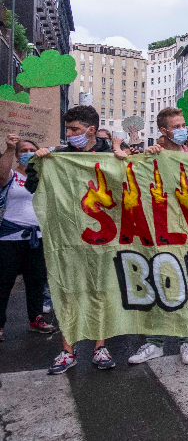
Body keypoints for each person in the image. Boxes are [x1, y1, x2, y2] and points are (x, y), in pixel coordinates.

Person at [24, 106, 117, 374]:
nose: (69, 134)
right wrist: (38, 164)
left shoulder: (111, 155)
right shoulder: (59, 155)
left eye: (74, 129)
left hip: (103, 236)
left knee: (101, 291)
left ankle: (100, 346)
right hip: (67, 236)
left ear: (90, 129)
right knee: (68, 291)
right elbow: (32, 186)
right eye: (68, 129)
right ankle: (68, 350)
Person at [126, 107, 188, 367]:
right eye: (176, 126)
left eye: (183, 125)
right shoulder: (152, 157)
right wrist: (146, 156)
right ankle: (155, 343)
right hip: (157, 233)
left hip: (187, 233)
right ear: (164, 131)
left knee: (187, 288)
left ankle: (186, 340)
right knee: (157, 285)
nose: (182, 130)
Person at [0, 135, 57, 345]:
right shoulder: (11, 176)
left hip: (37, 238)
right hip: (9, 238)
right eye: (22, 151)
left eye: (31, 150)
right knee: (3, 283)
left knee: (36, 281)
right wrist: (8, 148)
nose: (27, 154)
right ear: (16, 157)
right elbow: (0, 175)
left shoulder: (43, 177)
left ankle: (36, 319)